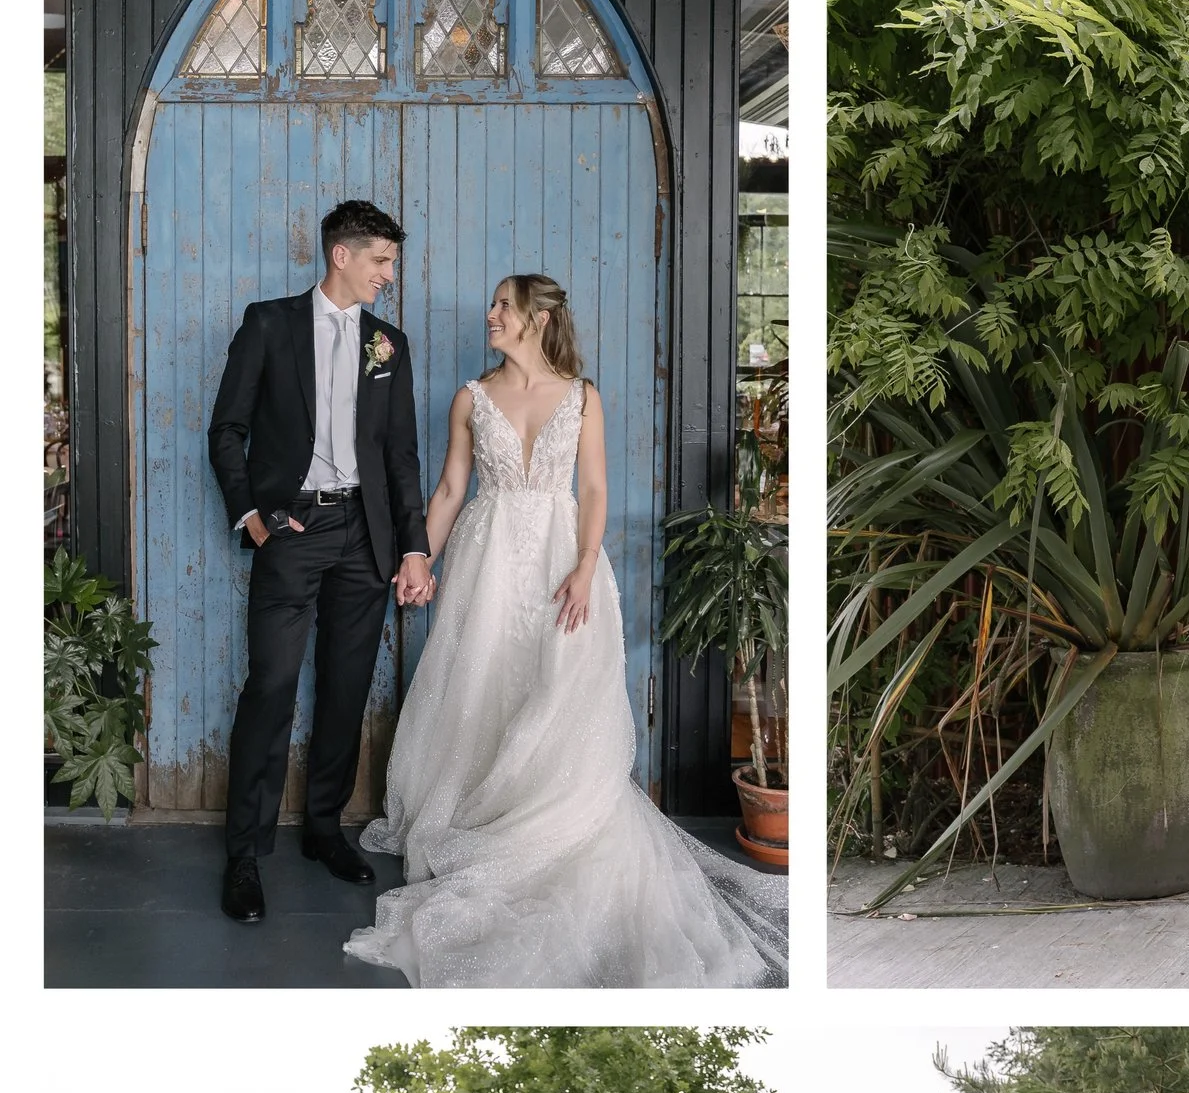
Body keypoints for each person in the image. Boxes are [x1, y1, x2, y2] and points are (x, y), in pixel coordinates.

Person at [343, 273, 786, 986]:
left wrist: (584, 567)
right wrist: (418, 559)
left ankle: (548, 817)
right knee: (481, 682)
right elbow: (453, 489)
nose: (490, 315)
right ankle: (484, 816)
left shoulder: (583, 397)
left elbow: (594, 489)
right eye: (491, 304)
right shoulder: (470, 396)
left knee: (555, 695)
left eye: (503, 307)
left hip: (561, 561)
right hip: (488, 559)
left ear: (538, 320)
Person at [206, 199, 433, 927]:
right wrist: (256, 519)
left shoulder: (388, 344)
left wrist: (412, 544)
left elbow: (400, 454)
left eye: (391, 263)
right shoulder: (269, 323)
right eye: (381, 261)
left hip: (364, 538)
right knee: (271, 687)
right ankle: (244, 855)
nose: (388, 276)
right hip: (292, 529)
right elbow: (227, 428)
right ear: (342, 254)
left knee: (345, 688)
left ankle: (324, 831)